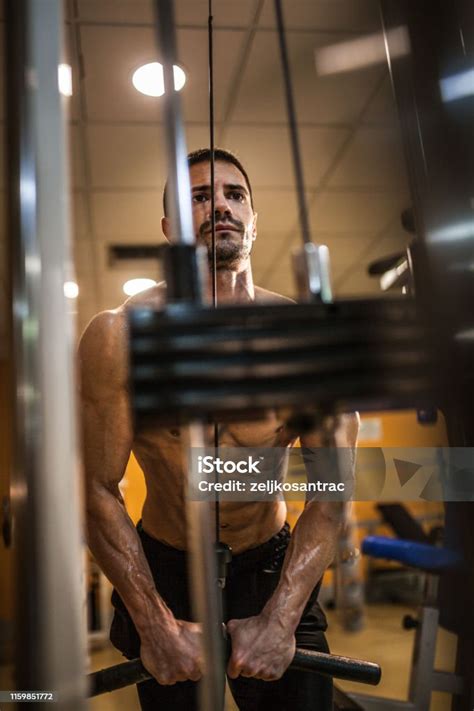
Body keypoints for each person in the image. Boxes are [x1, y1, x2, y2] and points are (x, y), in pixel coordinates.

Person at [79, 148, 359, 710]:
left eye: (235, 195)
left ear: (255, 218)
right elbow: (94, 489)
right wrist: (155, 624)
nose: (222, 207)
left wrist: (280, 619)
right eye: (200, 198)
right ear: (169, 229)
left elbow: (331, 493)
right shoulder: (119, 337)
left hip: (273, 566)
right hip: (162, 569)